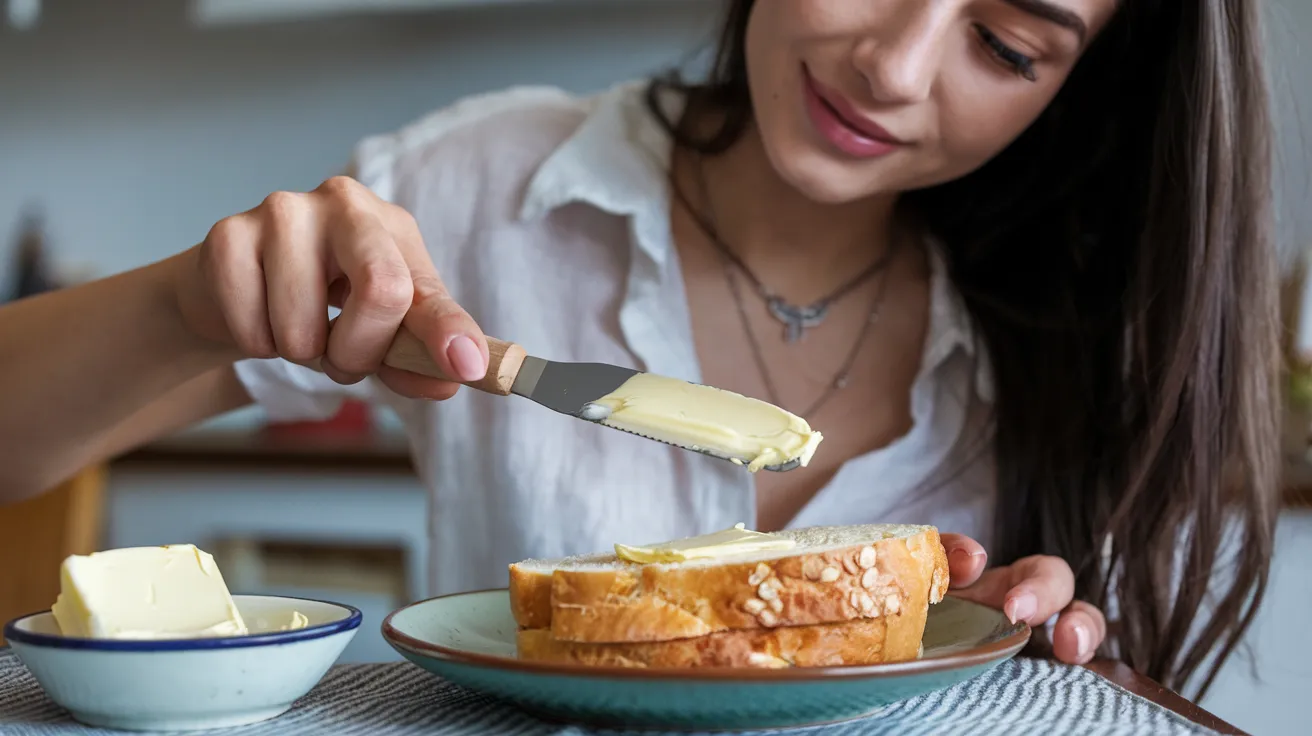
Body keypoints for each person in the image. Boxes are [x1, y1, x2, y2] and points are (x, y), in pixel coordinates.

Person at [0, 0, 1277, 700]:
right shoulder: (485, 187)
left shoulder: (1071, 330)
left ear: (1072, 88)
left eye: (1005, 45)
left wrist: (1038, 678)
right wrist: (183, 304)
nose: (891, 65)